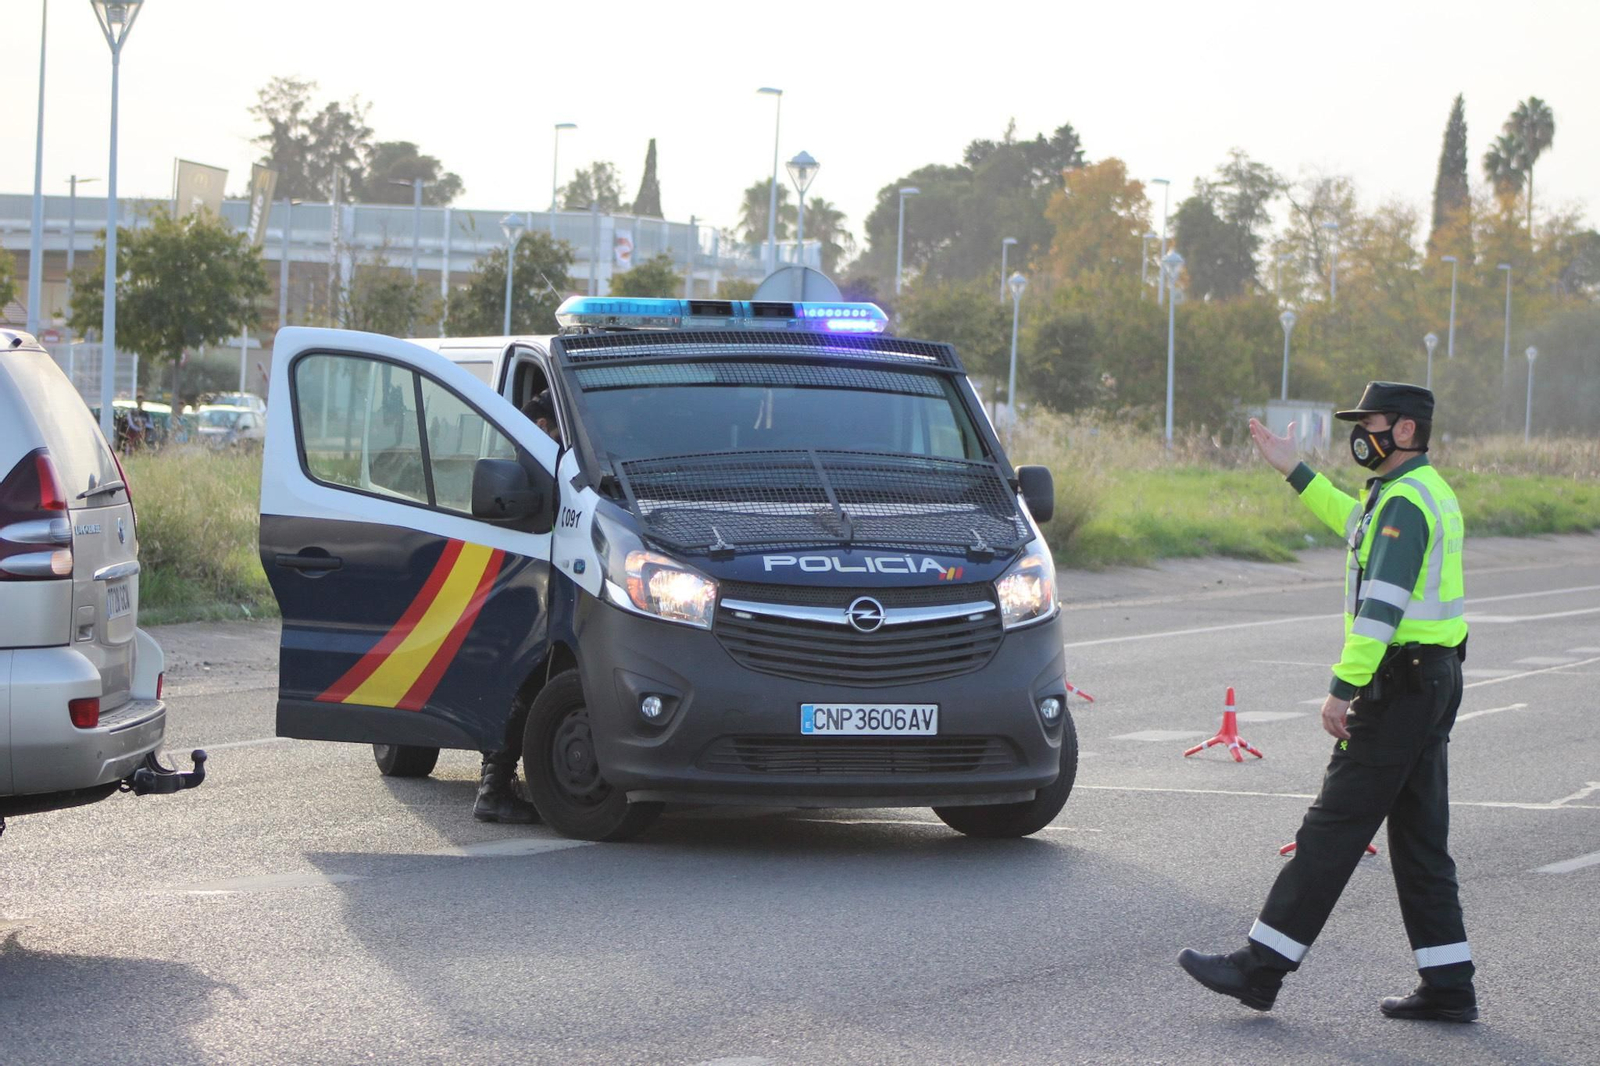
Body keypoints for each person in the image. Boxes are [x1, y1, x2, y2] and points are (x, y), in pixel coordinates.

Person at [1178, 382, 1476, 1023]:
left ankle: (1259, 969)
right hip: (1431, 679)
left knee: (1331, 830)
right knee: (1422, 842)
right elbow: (1350, 521)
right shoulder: (1408, 495)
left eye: (1369, 423)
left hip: (1400, 686)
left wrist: (1344, 688)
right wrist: (1293, 468)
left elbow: (1382, 609)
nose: (1359, 434)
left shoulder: (1405, 505)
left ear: (1404, 431)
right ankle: (1450, 984)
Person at [471, 391, 564, 824]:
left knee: (522, 677)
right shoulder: (537, 463)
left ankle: (497, 782)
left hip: (527, 579)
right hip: (525, 582)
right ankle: (494, 786)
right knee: (523, 678)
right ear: (545, 427)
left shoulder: (537, 459)